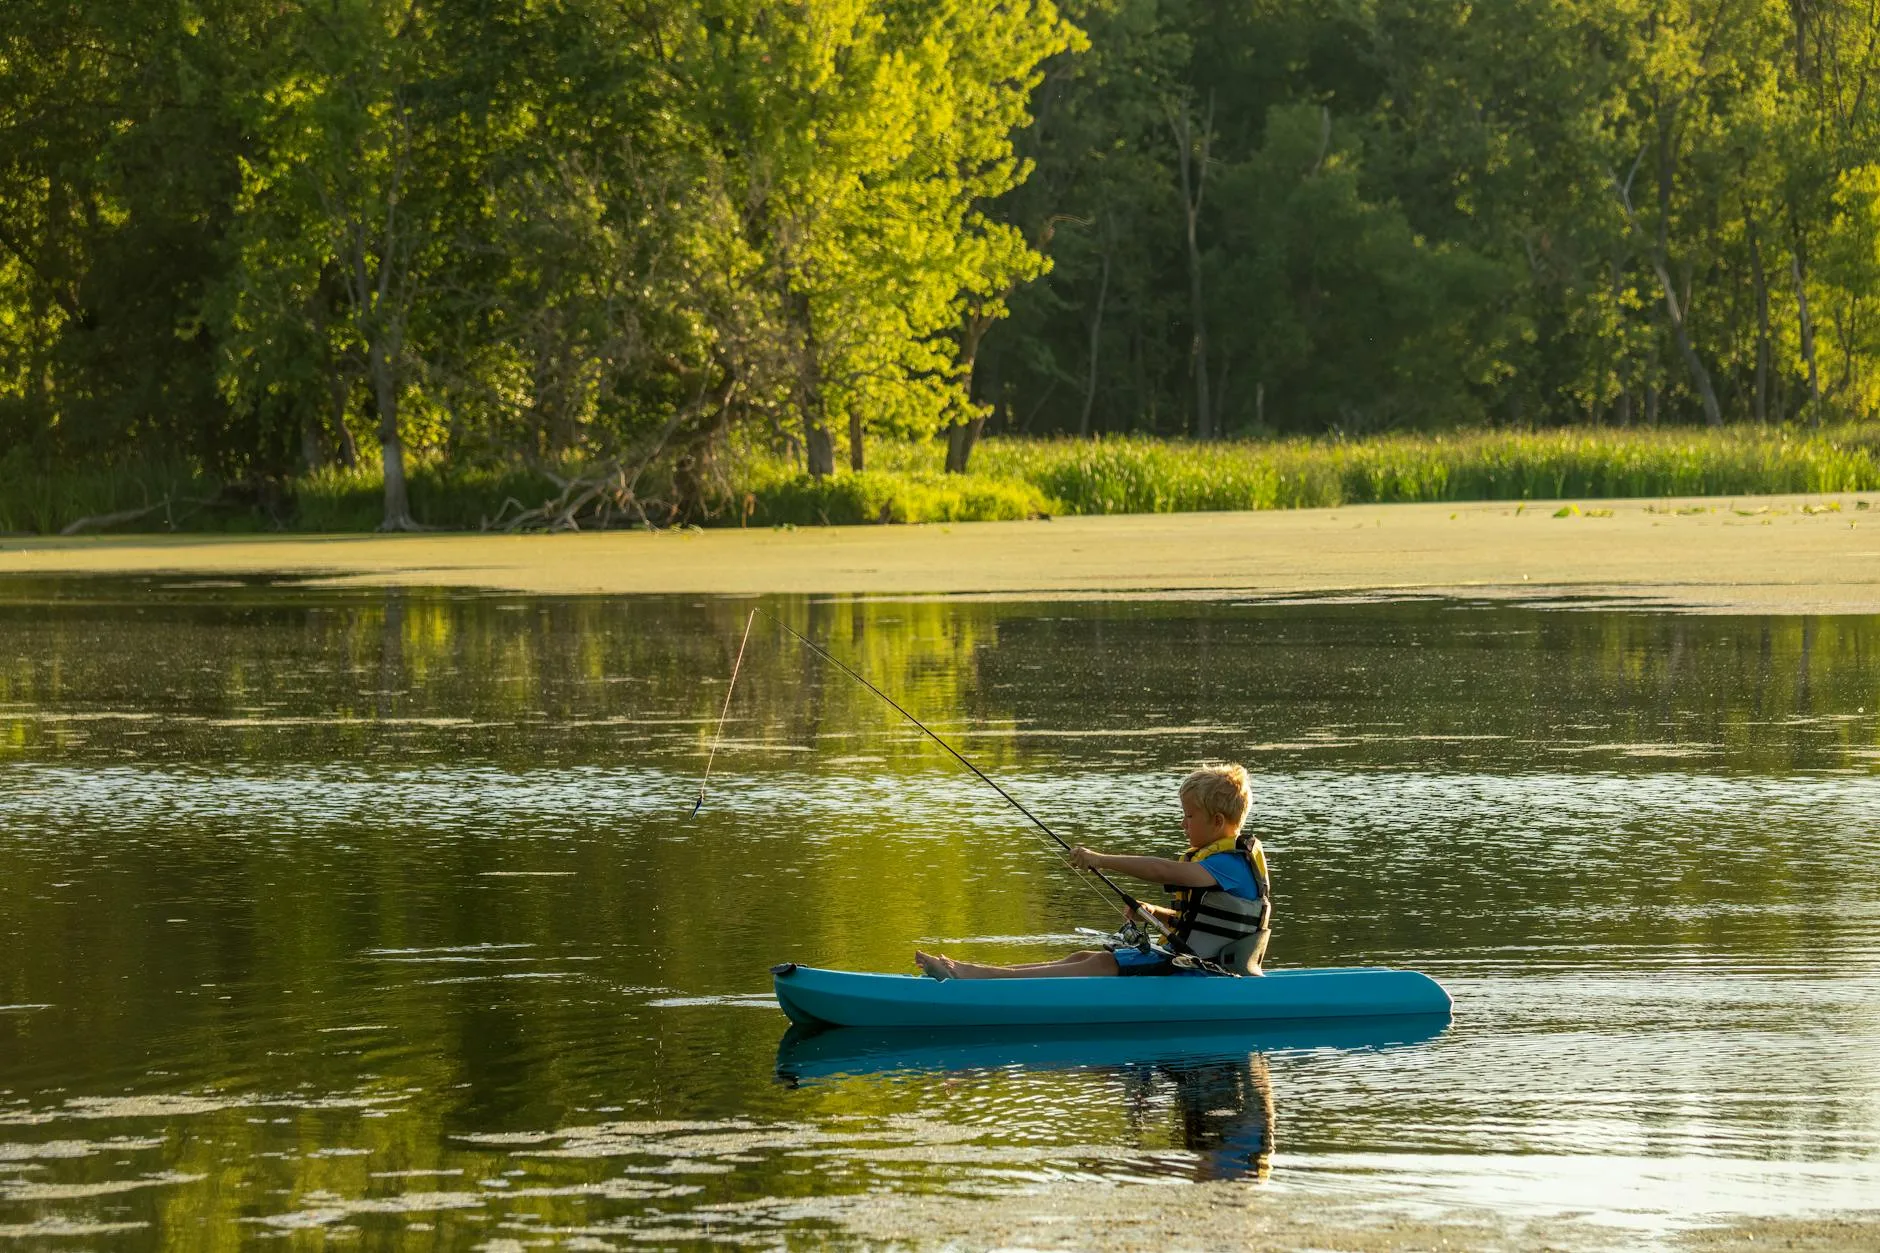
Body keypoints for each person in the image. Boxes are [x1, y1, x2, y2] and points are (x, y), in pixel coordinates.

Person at [914, 763, 1271, 980]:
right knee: (1084, 958)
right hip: (1194, 966)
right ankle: (981, 975)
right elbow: (1196, 919)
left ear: (1219, 821)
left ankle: (977, 978)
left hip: (1206, 974)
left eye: (1189, 817)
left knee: (1100, 963)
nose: (1183, 824)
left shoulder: (1230, 866)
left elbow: (1163, 870)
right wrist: (1154, 913)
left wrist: (1101, 858)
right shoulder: (1218, 865)